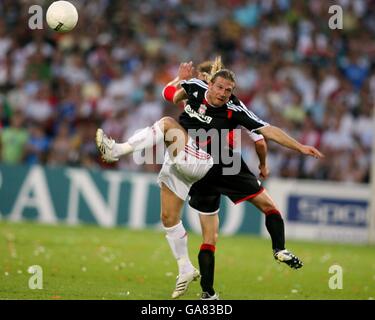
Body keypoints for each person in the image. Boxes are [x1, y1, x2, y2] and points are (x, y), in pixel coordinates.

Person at [96, 64, 323, 300]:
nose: (224, 93)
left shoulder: (235, 108)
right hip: (183, 161)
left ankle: (116, 150)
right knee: (170, 219)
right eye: (220, 87)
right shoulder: (194, 87)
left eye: (229, 90)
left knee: (166, 124)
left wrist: (299, 147)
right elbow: (170, 95)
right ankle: (189, 272)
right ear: (209, 83)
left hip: (209, 162)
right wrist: (179, 79)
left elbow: (267, 132)